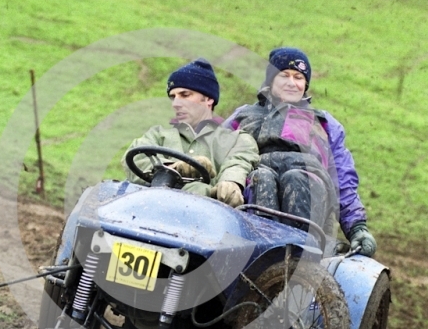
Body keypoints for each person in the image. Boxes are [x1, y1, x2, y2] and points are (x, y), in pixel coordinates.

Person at [225, 47, 377, 257]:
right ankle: (262, 258)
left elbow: (341, 177)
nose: (292, 82)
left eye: (298, 77)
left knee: (296, 178)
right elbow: (216, 154)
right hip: (253, 192)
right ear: (270, 80)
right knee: (262, 177)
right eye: (284, 75)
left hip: (310, 192)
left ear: (306, 84)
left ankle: (301, 259)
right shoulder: (242, 117)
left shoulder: (323, 124)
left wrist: (357, 228)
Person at [122, 58, 259, 207]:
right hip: (151, 209)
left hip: (209, 219)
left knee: (198, 188)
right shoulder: (157, 135)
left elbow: (238, 163)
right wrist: (173, 168)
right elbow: (135, 160)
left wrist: (230, 184)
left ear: (208, 99)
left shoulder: (237, 140)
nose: (176, 103)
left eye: (185, 95)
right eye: (173, 97)